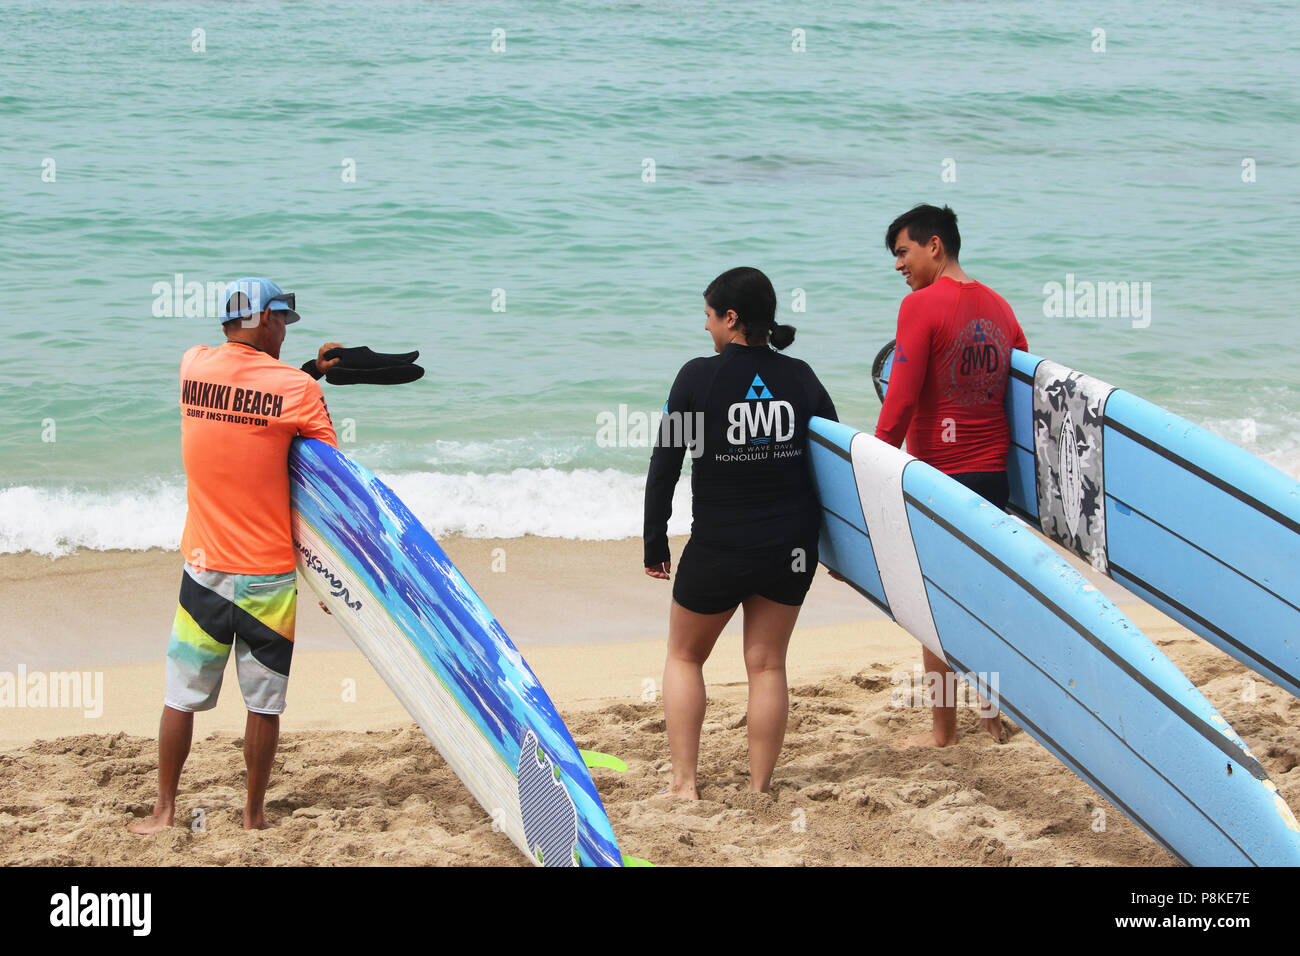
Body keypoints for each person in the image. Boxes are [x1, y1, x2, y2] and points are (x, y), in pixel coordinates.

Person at [129, 278, 341, 833]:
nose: (282, 334)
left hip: (203, 571)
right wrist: (337, 581)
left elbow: (244, 391)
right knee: (263, 705)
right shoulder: (297, 389)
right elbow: (330, 488)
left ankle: (164, 811)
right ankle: (253, 816)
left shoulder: (191, 365)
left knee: (180, 697)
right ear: (268, 320)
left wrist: (304, 372)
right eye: (282, 323)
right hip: (268, 579)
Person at [644, 266, 837, 799]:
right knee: (768, 663)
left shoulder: (695, 377)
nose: (705, 328)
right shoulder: (800, 376)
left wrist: (654, 543)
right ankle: (759, 787)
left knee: (685, 657)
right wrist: (840, 552)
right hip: (789, 549)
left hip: (719, 547)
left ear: (731, 318)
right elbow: (836, 466)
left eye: (709, 316)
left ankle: (684, 785)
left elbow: (666, 463)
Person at [875, 204, 1028, 748]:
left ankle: (943, 733)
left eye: (902, 252)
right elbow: (1021, 389)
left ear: (933, 246)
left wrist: (875, 466)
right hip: (992, 478)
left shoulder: (919, 306)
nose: (899, 265)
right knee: (980, 605)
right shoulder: (1000, 307)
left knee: (932, 612)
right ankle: (990, 719)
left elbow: (901, 396)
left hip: (939, 479)